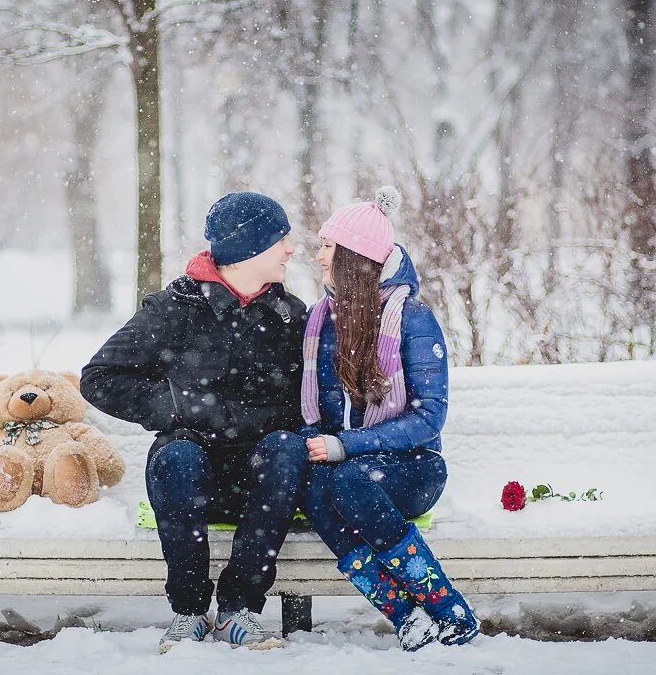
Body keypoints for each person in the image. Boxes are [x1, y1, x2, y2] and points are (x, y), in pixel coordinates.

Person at [81, 192, 308, 653]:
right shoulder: (175, 308)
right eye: (281, 240)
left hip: (263, 483)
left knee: (286, 448)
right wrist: (176, 404)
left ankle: (238, 611)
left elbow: (312, 402)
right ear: (249, 249)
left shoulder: (290, 316)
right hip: (190, 478)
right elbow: (99, 378)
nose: (291, 249)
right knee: (177, 457)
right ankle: (188, 614)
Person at [300, 187, 479, 650]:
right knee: (317, 487)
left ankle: (448, 609)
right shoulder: (324, 321)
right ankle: (405, 616)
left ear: (354, 258)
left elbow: (428, 418)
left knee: (350, 481)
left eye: (328, 247)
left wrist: (346, 447)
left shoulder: (413, 319)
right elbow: (317, 411)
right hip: (349, 469)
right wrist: (312, 443)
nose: (318, 256)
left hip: (414, 466)